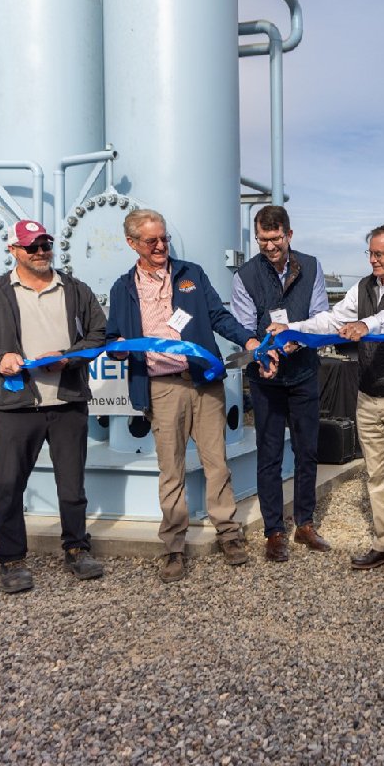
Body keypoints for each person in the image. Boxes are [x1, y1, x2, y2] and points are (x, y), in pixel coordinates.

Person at [107, 208, 271, 583]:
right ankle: (173, 547)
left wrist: (247, 337)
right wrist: (117, 347)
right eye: (152, 241)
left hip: (204, 382)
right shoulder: (123, 288)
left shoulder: (190, 274)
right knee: (172, 469)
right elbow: (112, 336)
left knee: (217, 463)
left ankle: (228, 533)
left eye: (164, 238)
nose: (162, 245)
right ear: (133, 244)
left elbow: (217, 316)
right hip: (162, 388)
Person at [0, 219, 107, 593]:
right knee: (8, 485)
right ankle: (11, 559)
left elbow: (98, 335)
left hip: (67, 402)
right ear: (14, 251)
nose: (40, 252)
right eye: (31, 247)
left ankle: (76, 549)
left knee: (71, 486)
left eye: (45, 245)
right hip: (17, 406)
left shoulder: (74, 290)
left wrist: (69, 358)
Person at [278, 224, 384, 587]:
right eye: (370, 253)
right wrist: (295, 330)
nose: (373, 260)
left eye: (379, 254)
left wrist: (366, 324)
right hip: (369, 395)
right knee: (375, 477)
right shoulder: (362, 287)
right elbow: (333, 318)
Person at [232, 205, 332, 562]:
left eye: (275, 239)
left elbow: (321, 316)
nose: (270, 246)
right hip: (266, 377)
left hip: (304, 371)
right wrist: (265, 352)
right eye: (263, 239)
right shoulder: (244, 276)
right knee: (269, 454)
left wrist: (297, 338)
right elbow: (244, 328)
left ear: (289, 234)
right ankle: (273, 530)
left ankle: (305, 523)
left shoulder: (312, 266)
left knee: (307, 450)